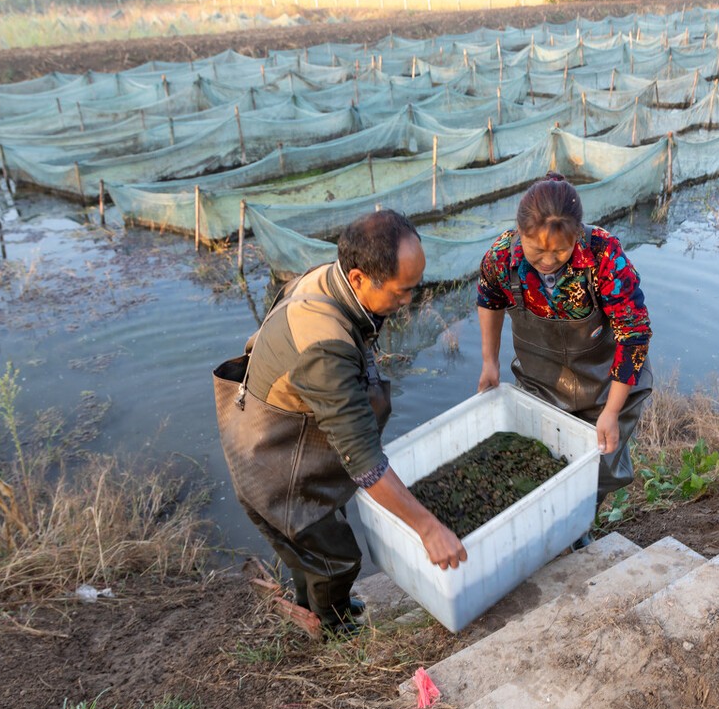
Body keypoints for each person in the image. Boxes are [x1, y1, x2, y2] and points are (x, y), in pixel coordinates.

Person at [214, 210, 467, 636]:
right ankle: (333, 630)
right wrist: (428, 527)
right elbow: (364, 462)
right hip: (273, 459)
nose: (411, 300)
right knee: (336, 555)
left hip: (290, 432)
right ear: (358, 278)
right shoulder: (325, 350)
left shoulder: (327, 279)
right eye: (403, 291)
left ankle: (313, 605)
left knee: (310, 549)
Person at [476, 172, 653, 540]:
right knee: (541, 463)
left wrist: (611, 411)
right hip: (542, 381)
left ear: (577, 233)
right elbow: (489, 299)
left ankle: (577, 529)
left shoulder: (605, 258)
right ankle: (547, 534)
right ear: (519, 232)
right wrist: (490, 362)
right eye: (536, 249)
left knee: (596, 472)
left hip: (605, 384)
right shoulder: (501, 258)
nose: (547, 260)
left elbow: (633, 335)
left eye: (559, 250)